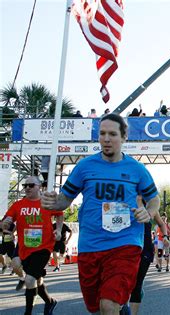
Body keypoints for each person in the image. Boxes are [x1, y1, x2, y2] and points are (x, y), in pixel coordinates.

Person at [41, 113, 160, 314]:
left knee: (108, 304)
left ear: (124, 137)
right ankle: (122, 309)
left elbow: (154, 199)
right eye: (102, 133)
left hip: (125, 243)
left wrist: (148, 213)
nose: (106, 139)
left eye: (112, 134)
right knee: (96, 308)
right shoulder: (85, 167)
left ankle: (117, 306)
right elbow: (64, 200)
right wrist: (51, 202)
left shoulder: (137, 169)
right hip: (91, 245)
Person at [3, 176, 63, 315]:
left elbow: (59, 214)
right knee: (36, 278)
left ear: (39, 186)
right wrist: (6, 223)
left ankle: (28, 312)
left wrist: (58, 230)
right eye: (25, 185)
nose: (27, 188)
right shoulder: (18, 205)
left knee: (30, 279)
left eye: (31, 185)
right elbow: (8, 219)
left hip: (44, 247)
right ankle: (50, 302)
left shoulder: (47, 203)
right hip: (25, 247)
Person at [127, 196, 168, 315]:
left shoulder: (151, 206)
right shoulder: (126, 202)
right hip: (127, 249)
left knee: (137, 284)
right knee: (125, 282)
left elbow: (162, 224)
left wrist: (165, 237)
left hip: (145, 249)